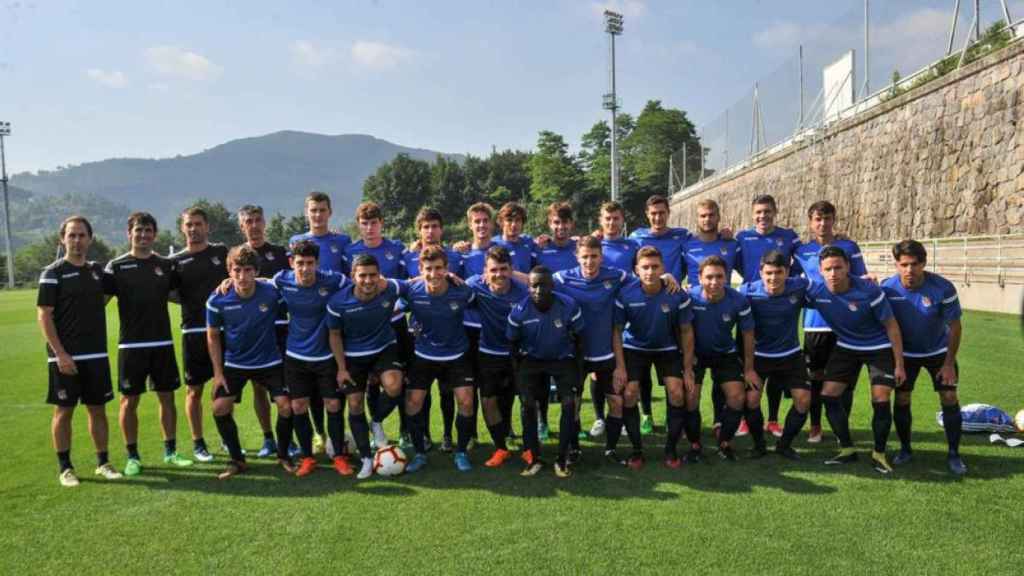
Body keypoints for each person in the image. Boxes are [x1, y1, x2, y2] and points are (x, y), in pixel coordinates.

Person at [103, 212, 192, 476]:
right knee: (129, 402)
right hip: (131, 346)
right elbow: (99, 302)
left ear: (155, 234)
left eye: (148, 230)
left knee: (167, 398)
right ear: (129, 233)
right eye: (138, 230)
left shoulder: (165, 265)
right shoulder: (116, 266)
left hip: (162, 342)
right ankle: (133, 456)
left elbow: (181, 296)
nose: (143, 235)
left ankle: (171, 452)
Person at [38, 216, 123, 486]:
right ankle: (65, 468)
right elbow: (44, 315)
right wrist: (60, 353)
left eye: (81, 235)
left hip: (96, 355)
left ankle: (103, 462)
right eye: (71, 235)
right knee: (64, 410)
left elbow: (112, 293)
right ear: (62, 239)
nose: (76, 240)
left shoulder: (97, 272)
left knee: (97, 410)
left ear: (90, 239)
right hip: (65, 357)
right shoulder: (52, 272)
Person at [806, 246, 906, 474]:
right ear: (820, 271)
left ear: (848, 267)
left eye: (838, 267)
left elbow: (891, 325)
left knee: (880, 399)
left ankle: (879, 453)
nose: (833, 273)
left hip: (879, 348)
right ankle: (848, 449)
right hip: (847, 347)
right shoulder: (818, 292)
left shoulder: (869, 291)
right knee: (828, 396)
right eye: (828, 269)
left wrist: (899, 364)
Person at [206, 245, 296, 479]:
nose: (242, 276)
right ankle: (237, 459)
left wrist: (267, 279)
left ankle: (283, 455)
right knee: (219, 408)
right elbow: (213, 335)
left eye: (248, 270)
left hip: (270, 361)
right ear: (229, 271)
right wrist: (218, 374)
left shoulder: (270, 292)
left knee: (287, 406)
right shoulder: (218, 299)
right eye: (237, 270)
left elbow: (291, 289)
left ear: (255, 271)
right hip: (235, 363)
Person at [881, 240, 966, 475]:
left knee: (949, 396)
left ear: (924, 264)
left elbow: (956, 328)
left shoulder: (943, 288)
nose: (909, 270)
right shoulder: (886, 288)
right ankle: (905, 449)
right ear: (896, 265)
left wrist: (949, 364)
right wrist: (897, 363)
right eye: (904, 264)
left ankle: (954, 454)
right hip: (905, 354)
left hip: (938, 352)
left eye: (915, 264)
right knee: (902, 399)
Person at [271, 240, 352, 477]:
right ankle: (307, 458)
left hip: (326, 354)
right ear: (291, 263)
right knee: (298, 406)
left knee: (333, 404)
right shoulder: (281, 280)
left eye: (309, 263)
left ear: (317, 263)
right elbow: (258, 283)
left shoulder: (333, 280)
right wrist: (227, 282)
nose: (305, 269)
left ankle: (339, 456)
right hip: (295, 356)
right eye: (300, 263)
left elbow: (359, 283)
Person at [793, 200, 869, 443]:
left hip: (846, 323)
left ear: (834, 220)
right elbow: (793, 282)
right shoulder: (801, 251)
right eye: (818, 219)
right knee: (815, 378)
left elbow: (860, 277)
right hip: (815, 324)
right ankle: (815, 426)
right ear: (810, 222)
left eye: (827, 219)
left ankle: (841, 428)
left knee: (844, 380)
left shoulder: (849, 246)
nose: (823, 224)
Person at [327, 254, 408, 479]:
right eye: (363, 275)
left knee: (394, 387)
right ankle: (365, 458)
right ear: (353, 276)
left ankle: (376, 421)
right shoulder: (338, 302)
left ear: (379, 275)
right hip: (353, 355)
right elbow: (334, 335)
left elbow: (416, 284)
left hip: (384, 347)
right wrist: (341, 368)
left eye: (373, 275)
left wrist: (449, 276)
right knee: (354, 404)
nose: (368, 280)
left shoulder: (390, 290)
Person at [615, 247, 695, 468]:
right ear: (636, 270)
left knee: (677, 392)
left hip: (666, 348)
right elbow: (616, 331)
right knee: (629, 393)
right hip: (634, 347)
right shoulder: (626, 294)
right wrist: (620, 367)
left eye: (655, 267)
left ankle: (670, 450)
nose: (650, 271)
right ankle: (637, 451)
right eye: (645, 267)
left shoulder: (676, 293)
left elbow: (687, 331)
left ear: (663, 269)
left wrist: (688, 368)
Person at [401, 246, 477, 473]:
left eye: (438, 268)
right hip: (424, 354)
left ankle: (461, 451)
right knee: (413, 402)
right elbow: (391, 300)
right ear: (420, 270)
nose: (433, 274)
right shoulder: (412, 290)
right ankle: (420, 453)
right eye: (428, 269)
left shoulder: (462, 291)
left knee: (466, 401)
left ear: (447, 269)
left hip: (457, 353)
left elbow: (480, 299)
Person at [553, 236, 628, 458]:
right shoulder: (563, 278)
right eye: (584, 257)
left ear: (601, 256)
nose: (589, 261)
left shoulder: (615, 276)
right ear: (577, 257)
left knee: (616, 402)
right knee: (572, 404)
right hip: (575, 355)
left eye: (594, 256)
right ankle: (574, 448)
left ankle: (611, 449)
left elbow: (644, 279)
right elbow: (534, 280)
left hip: (605, 353)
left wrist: (665, 276)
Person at [508, 266, 585, 478]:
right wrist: (519, 375)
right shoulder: (519, 310)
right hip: (532, 360)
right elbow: (513, 344)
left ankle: (562, 458)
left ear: (552, 285)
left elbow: (579, 341)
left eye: (544, 285)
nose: (539, 290)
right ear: (528, 286)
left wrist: (579, 372)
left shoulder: (568, 305)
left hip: (562, 359)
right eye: (534, 285)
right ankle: (534, 457)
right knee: (528, 404)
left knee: (569, 403)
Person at [735, 194, 801, 440]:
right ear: (753, 214)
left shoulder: (789, 236)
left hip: (779, 298)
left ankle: (773, 420)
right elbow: (736, 262)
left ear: (775, 211)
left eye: (767, 211)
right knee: (748, 362)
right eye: (758, 212)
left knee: (776, 371)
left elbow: (803, 257)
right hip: (751, 300)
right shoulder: (742, 237)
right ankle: (744, 418)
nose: (763, 216)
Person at [628, 195, 692, 435]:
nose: (658, 217)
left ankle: (672, 416)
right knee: (641, 372)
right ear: (647, 214)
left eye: (662, 212)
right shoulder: (636, 237)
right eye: (653, 213)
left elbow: (697, 254)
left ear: (668, 212)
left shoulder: (682, 235)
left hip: (673, 304)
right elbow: (630, 264)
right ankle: (646, 414)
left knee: (671, 368)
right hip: (645, 300)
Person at [738, 250, 811, 460]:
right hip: (759, 356)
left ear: (787, 272)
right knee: (751, 400)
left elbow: (829, 285)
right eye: (768, 272)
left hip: (790, 355)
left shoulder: (799, 287)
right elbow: (718, 293)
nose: (773, 278)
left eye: (779, 272)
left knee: (803, 400)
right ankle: (759, 445)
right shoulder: (747, 292)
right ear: (760, 272)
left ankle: (784, 445)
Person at [169, 206, 227, 463]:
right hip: (193, 331)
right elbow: (167, 293)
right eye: (188, 224)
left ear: (207, 227)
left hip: (224, 330)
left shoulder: (221, 253)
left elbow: (238, 276)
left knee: (224, 388)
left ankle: (227, 438)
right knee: (194, 390)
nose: (193, 229)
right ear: (182, 228)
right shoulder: (175, 262)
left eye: (198, 224)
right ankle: (198, 443)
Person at [237, 204, 293, 458]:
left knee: (283, 386)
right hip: (251, 331)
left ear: (265, 223)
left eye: (258, 220)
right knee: (258, 388)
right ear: (242, 226)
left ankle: (287, 439)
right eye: (249, 221)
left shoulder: (280, 253)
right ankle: (268, 438)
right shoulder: (237, 257)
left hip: (280, 327)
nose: (254, 225)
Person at [465, 246, 529, 467]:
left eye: (503, 269)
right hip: (488, 353)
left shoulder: (523, 292)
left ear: (511, 270)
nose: (499, 274)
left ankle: (529, 448)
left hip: (518, 355)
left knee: (527, 400)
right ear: (485, 271)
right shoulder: (475, 285)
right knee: (488, 400)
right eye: (494, 270)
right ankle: (501, 448)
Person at [688, 256, 756, 461]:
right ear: (699, 278)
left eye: (719, 276)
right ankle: (694, 444)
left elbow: (748, 334)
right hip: (696, 355)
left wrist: (749, 369)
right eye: (709, 277)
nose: (714, 282)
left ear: (726, 277)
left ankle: (725, 442)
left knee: (737, 397)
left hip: (725, 353)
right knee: (690, 397)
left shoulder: (738, 300)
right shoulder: (688, 297)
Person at [597, 201, 641, 273]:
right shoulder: (592, 245)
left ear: (622, 220)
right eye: (608, 218)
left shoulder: (633, 245)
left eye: (616, 218)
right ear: (600, 220)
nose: (611, 223)